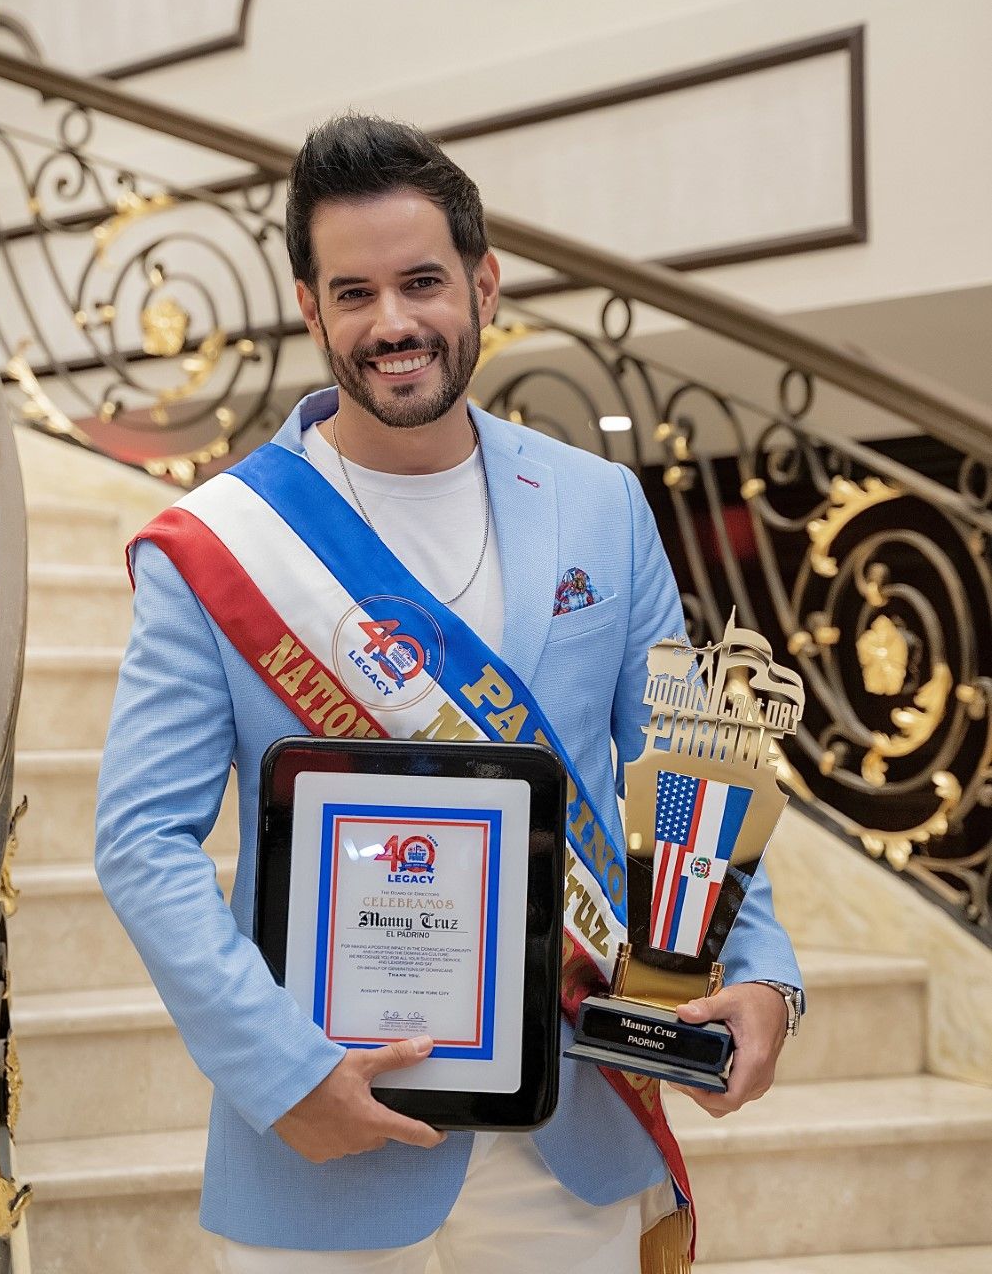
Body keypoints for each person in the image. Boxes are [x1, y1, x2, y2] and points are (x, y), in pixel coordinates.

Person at [96, 114, 803, 1274]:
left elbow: (689, 772)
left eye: (422, 281)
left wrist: (764, 971)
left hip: (576, 1115)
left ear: (482, 282)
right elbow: (139, 838)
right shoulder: (224, 542)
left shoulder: (597, 505)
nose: (394, 323)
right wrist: (285, 1070)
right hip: (329, 1140)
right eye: (354, 292)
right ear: (310, 307)